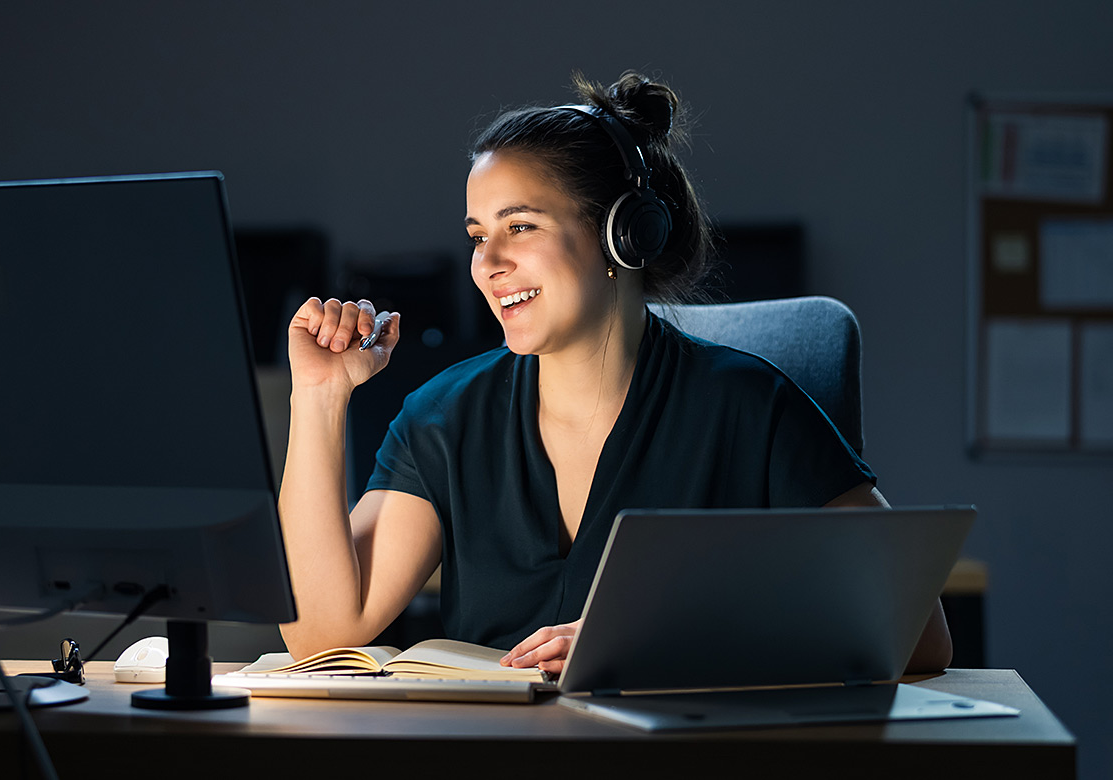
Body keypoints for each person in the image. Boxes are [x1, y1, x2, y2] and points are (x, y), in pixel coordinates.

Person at [276, 71, 952, 675]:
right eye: (479, 234)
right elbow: (320, 635)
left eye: (522, 227)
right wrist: (319, 397)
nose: (489, 263)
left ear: (621, 235)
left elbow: (920, 637)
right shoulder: (442, 416)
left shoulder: (750, 406)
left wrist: (664, 641)